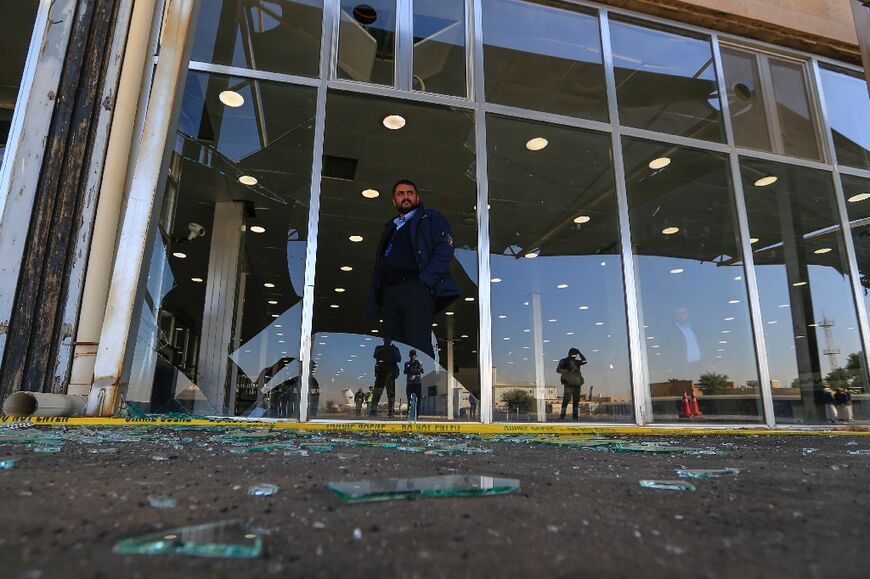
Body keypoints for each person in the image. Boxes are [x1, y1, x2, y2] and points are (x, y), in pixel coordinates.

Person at [368, 179, 460, 357]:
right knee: (392, 350)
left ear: (417, 197)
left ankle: (422, 386)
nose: (406, 197)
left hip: (416, 287)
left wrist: (425, 281)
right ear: (394, 201)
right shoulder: (391, 227)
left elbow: (445, 249)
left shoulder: (430, 218)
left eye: (410, 193)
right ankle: (398, 385)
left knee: (417, 346)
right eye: (400, 194)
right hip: (390, 292)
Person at [371, 338, 401, 417]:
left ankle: (391, 412)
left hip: (390, 374)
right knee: (377, 394)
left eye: (389, 339)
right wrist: (384, 349)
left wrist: (393, 350)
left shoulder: (394, 349)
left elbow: (399, 359)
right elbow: (375, 355)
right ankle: (373, 411)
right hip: (381, 374)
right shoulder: (379, 348)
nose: (387, 341)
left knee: (391, 395)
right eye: (386, 339)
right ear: (384, 340)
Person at [556, 347, 588, 421]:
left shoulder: (576, 362)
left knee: (576, 400)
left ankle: (575, 416)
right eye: (574, 354)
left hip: (577, 383)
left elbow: (585, 361)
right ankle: (562, 415)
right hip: (568, 383)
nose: (574, 356)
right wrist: (568, 371)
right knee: (566, 400)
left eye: (575, 355)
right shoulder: (563, 361)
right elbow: (558, 370)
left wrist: (580, 354)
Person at [404, 349, 424, 418]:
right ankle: (410, 415)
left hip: (417, 383)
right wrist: (409, 366)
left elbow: (422, 371)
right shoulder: (407, 363)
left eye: (414, 355)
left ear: (416, 356)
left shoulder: (418, 362)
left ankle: (417, 415)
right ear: (410, 356)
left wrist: (419, 365)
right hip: (410, 384)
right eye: (412, 355)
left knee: (418, 400)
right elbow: (405, 372)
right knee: (410, 399)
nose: (413, 357)